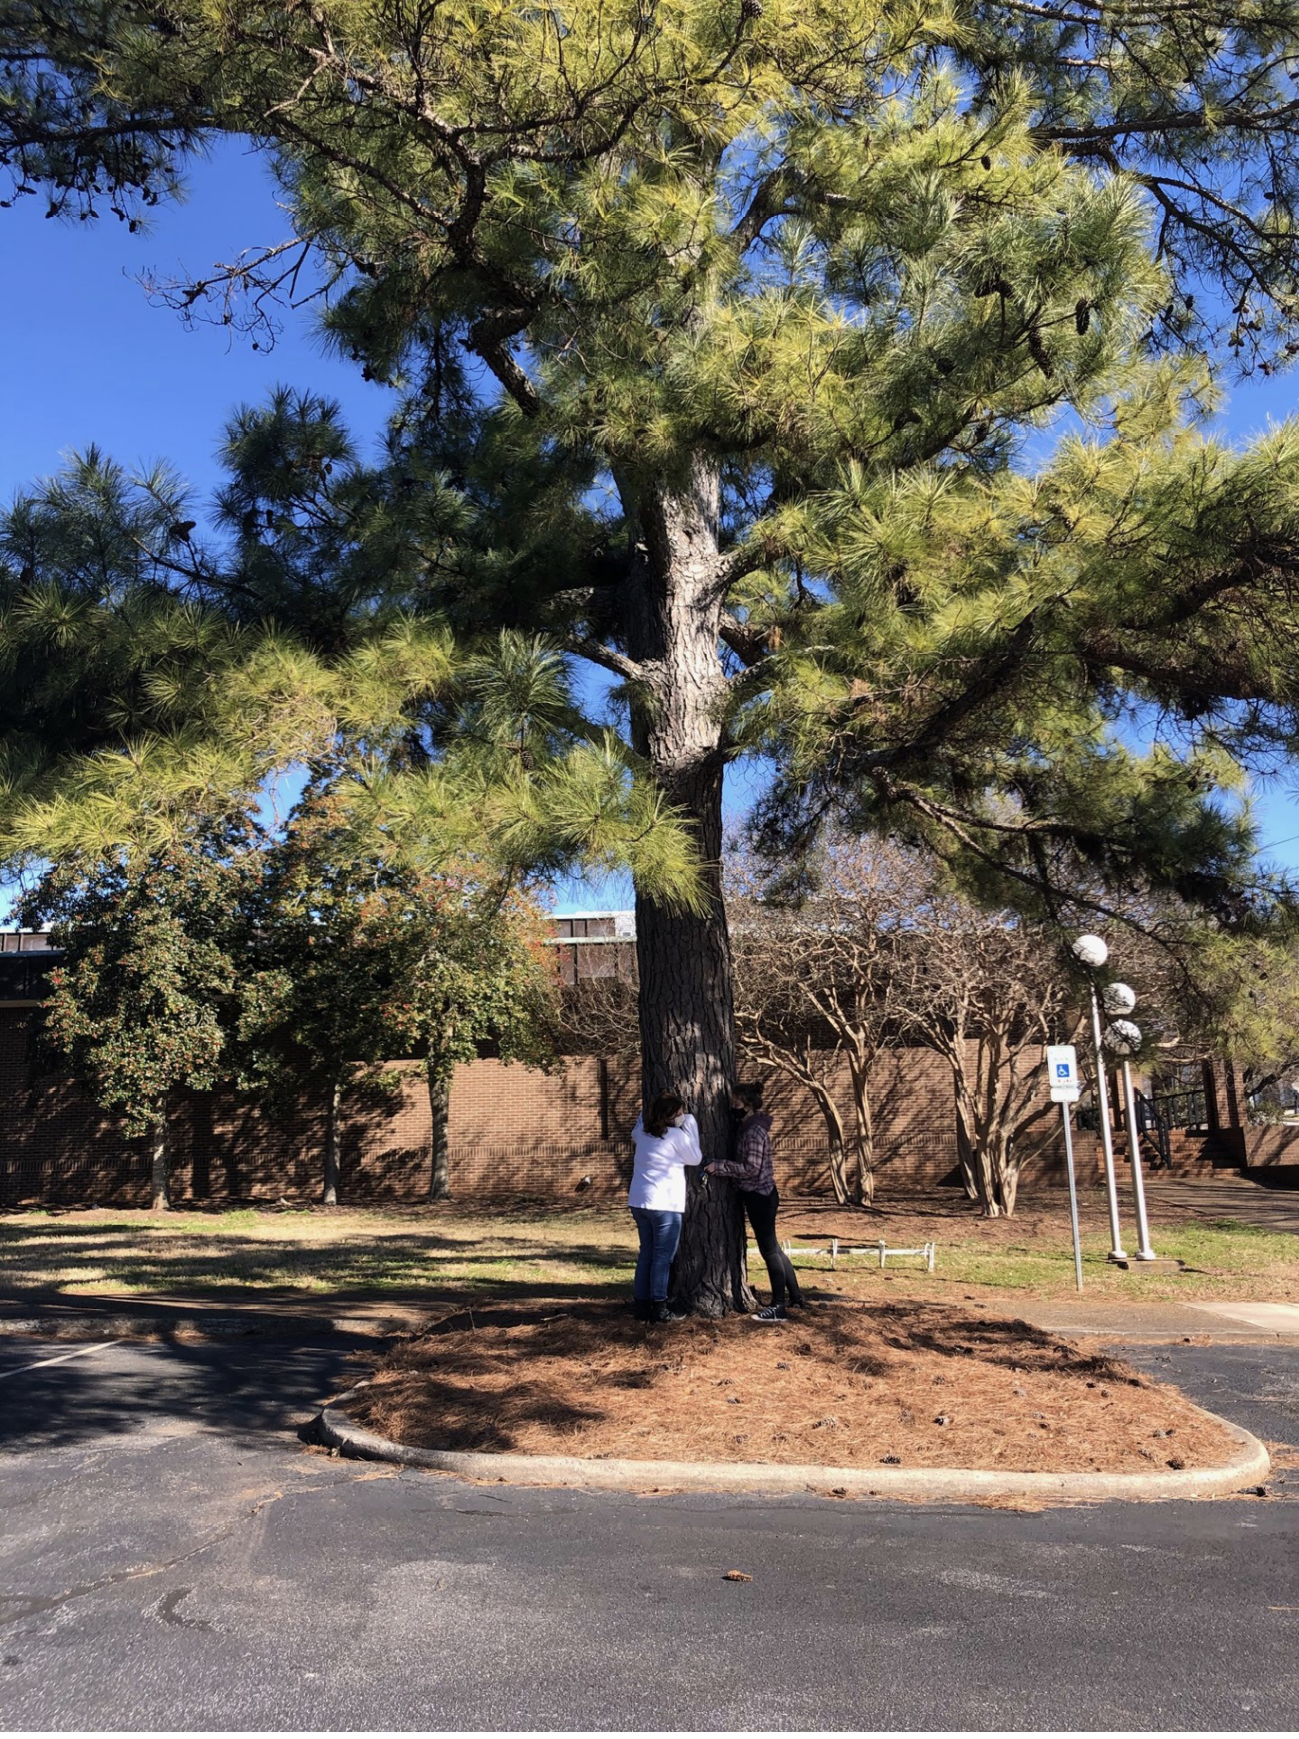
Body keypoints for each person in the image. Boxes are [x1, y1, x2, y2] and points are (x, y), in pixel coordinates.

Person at [705, 1082, 805, 1322]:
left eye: (736, 1103)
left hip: (760, 1196)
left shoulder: (753, 1131)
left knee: (769, 1250)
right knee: (774, 1248)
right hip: (759, 1194)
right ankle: (796, 1297)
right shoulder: (747, 1126)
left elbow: (751, 1168)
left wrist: (719, 1166)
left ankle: (778, 1306)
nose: (732, 1107)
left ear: (748, 1104)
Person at [627, 1091, 702, 1323]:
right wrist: (691, 1123)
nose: (682, 1116)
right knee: (662, 1257)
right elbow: (696, 1158)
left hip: (639, 1202)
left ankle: (641, 1305)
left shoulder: (641, 1133)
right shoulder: (676, 1136)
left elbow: (639, 1122)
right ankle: (660, 1307)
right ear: (670, 1116)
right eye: (679, 1113)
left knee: (646, 1254)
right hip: (664, 1205)